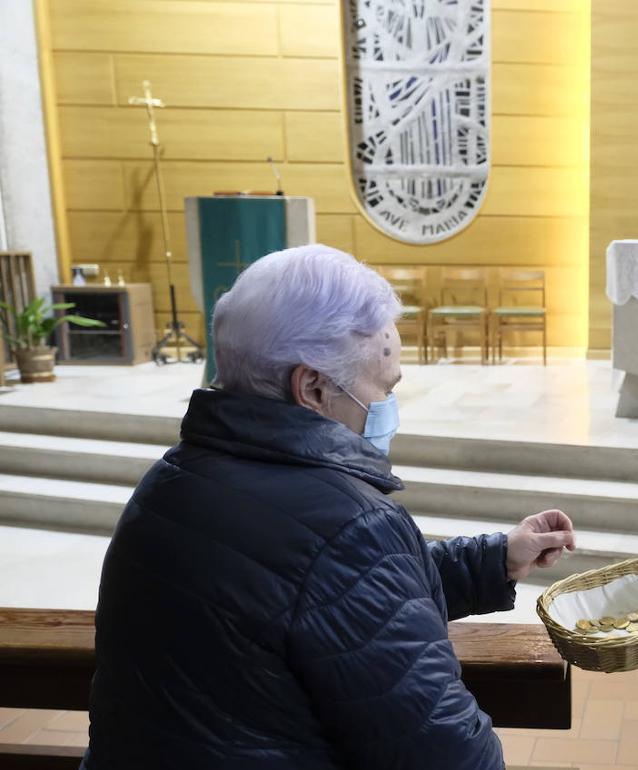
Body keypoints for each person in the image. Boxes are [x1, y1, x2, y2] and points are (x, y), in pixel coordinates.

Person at [82, 245, 576, 770]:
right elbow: (447, 753)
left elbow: (319, 594)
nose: (387, 407)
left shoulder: (169, 481)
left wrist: (495, 558)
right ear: (313, 387)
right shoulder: (350, 527)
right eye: (383, 388)